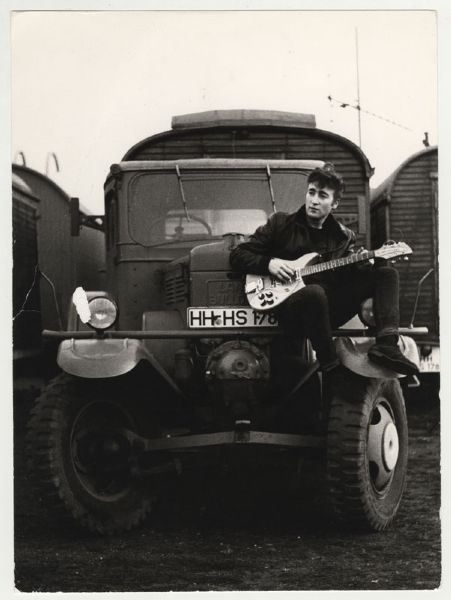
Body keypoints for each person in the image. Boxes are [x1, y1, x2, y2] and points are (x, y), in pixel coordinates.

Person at [229, 163, 418, 376]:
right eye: (311, 193)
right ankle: (330, 363)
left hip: (329, 309)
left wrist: (367, 263)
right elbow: (238, 254)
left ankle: (387, 346)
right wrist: (269, 263)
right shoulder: (280, 224)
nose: (314, 200)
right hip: (290, 309)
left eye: (322, 196)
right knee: (314, 293)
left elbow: (345, 279)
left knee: (386, 274)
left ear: (335, 203)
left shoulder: (342, 237)